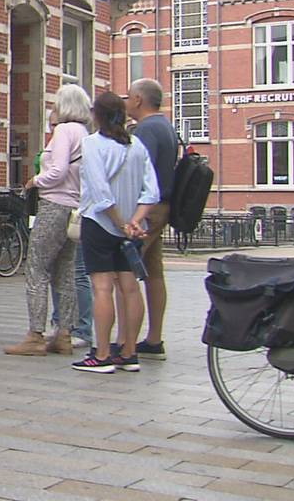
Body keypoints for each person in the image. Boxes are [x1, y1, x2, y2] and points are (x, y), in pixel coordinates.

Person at [72, 91, 160, 374]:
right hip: (132, 229)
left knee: (102, 288)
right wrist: (134, 222)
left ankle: (101, 354)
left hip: (100, 224)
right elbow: (152, 192)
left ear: (96, 115)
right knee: (130, 287)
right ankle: (130, 352)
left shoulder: (92, 144)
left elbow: (100, 192)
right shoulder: (137, 146)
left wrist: (120, 222)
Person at [4, 85, 90, 356]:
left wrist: (35, 181)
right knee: (65, 272)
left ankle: (35, 334)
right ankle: (64, 333)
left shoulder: (64, 131)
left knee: (37, 268)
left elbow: (59, 169)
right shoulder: (85, 133)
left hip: (54, 204)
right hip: (74, 208)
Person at [125, 78, 178, 362]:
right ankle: (153, 338)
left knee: (126, 271)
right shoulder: (166, 126)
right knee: (154, 273)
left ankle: (126, 342)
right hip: (163, 206)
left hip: (146, 210)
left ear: (138, 100)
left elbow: (138, 173)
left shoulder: (146, 130)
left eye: (129, 96)